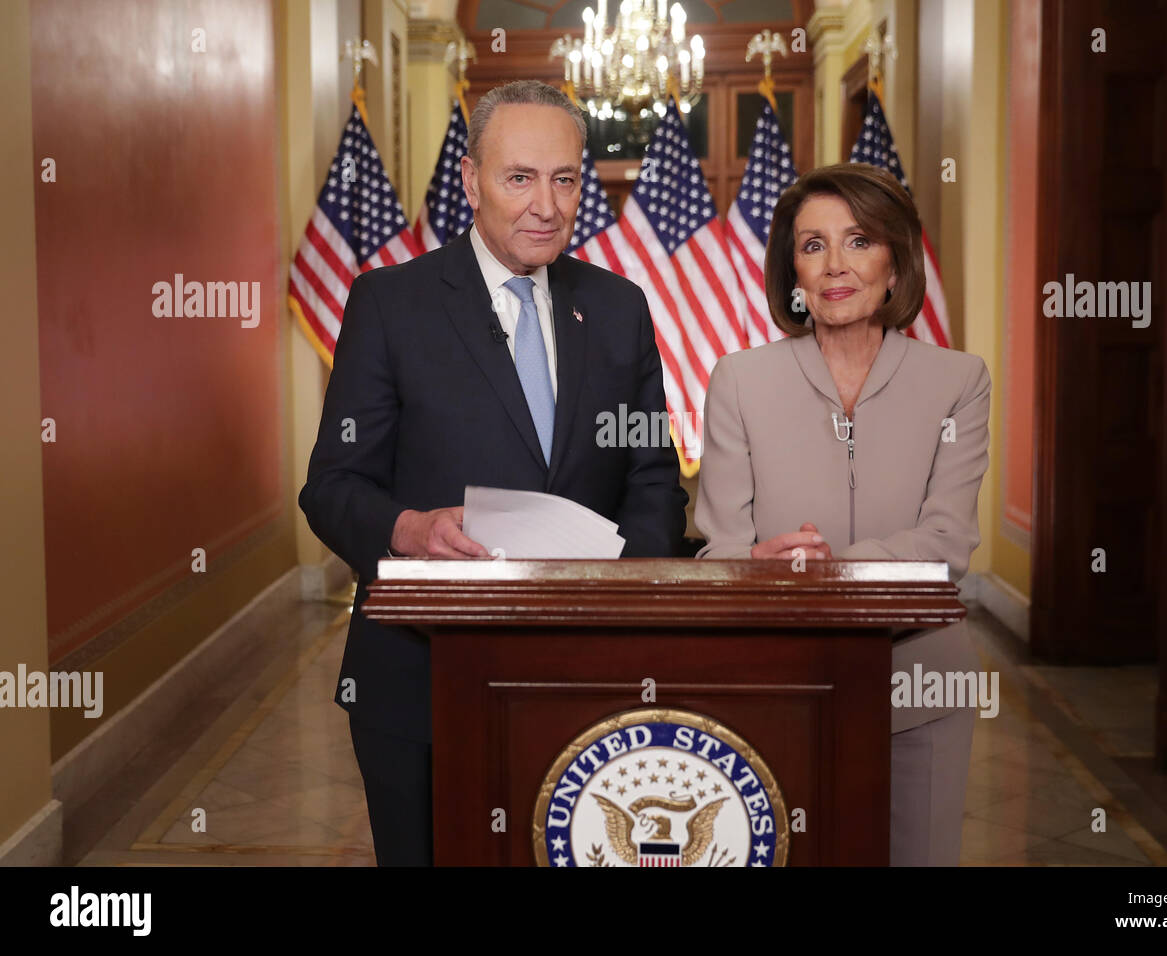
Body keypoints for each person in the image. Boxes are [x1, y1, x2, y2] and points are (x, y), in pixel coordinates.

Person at [299, 80, 688, 865]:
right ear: (471, 180)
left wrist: (618, 594)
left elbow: (654, 480)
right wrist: (409, 529)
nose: (546, 204)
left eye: (566, 179)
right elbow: (333, 487)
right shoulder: (389, 304)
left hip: (586, 672)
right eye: (520, 178)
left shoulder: (620, 308)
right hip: (422, 674)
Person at [693, 162, 991, 866]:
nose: (835, 266)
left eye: (858, 241)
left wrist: (829, 570)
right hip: (779, 684)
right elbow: (722, 553)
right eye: (812, 245)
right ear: (791, 270)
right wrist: (749, 565)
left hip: (922, 680)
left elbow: (947, 543)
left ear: (896, 261)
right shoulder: (741, 380)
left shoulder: (959, 381)